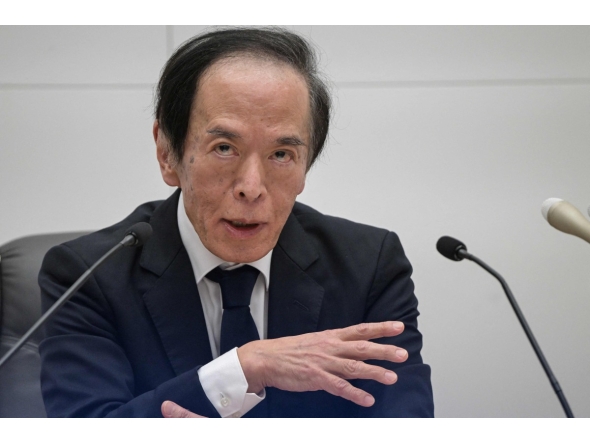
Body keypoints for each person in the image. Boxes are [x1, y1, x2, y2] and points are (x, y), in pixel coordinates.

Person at [38, 27, 434, 418]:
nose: (251, 188)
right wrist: (245, 368)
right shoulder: (88, 276)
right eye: (224, 148)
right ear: (166, 153)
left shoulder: (368, 267)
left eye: (281, 154)